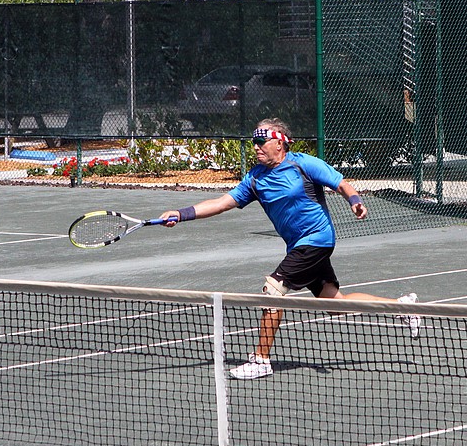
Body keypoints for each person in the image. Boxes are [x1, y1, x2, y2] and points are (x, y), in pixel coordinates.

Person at [160, 118, 421, 380]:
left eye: (262, 142)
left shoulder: (302, 164)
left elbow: (341, 184)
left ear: (280, 143)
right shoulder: (255, 178)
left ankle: (261, 360)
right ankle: (403, 307)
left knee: (272, 289)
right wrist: (181, 214)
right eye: (255, 142)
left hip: (317, 239)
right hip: (297, 246)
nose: (257, 147)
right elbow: (221, 203)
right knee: (335, 303)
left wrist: (354, 201)